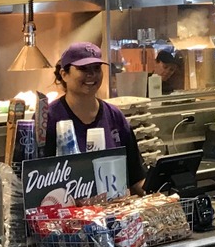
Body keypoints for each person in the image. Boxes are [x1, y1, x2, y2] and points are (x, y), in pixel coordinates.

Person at [44, 43, 146, 194]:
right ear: (64, 74)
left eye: (96, 68)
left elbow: (135, 176)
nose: (91, 75)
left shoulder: (114, 116)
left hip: (112, 210)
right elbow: (38, 179)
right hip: (67, 213)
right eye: (83, 69)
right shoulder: (49, 118)